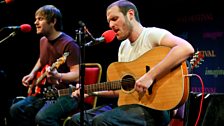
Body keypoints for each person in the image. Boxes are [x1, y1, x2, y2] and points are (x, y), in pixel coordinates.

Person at [69, 0, 195, 126]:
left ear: (130, 14)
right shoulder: (123, 47)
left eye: (114, 19)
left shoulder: (151, 34)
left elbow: (186, 48)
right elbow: (121, 90)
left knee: (101, 122)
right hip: (129, 107)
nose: (111, 25)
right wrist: (91, 91)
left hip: (155, 109)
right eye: (109, 22)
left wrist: (149, 76)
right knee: (76, 120)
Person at [9, 5, 81, 126]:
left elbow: (77, 75)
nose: (35, 22)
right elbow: (42, 60)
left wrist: (58, 75)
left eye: (40, 19)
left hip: (68, 94)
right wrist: (32, 74)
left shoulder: (69, 44)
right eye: (36, 19)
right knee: (16, 109)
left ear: (53, 21)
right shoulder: (43, 40)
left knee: (43, 118)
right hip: (49, 92)